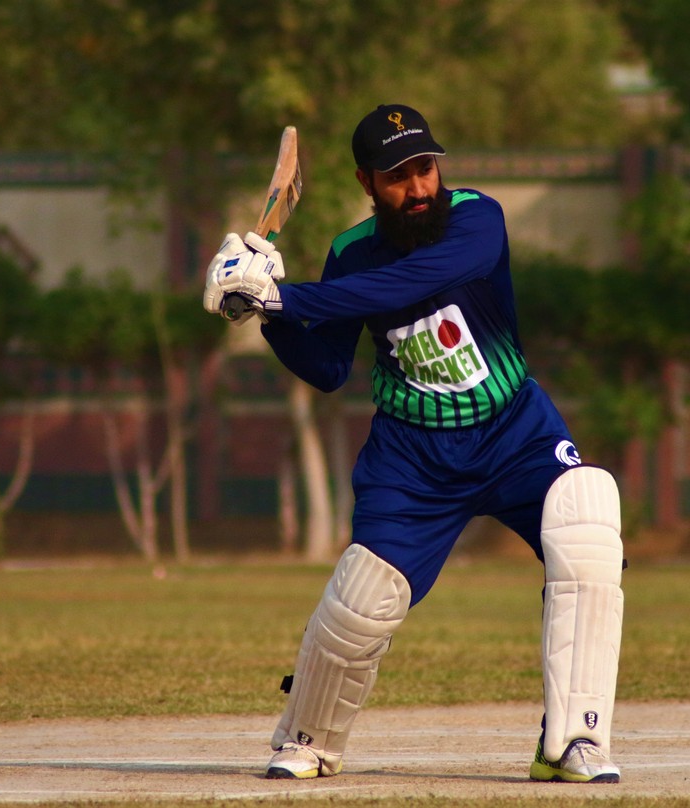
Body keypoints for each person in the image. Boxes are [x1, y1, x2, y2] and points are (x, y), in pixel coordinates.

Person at [203, 104, 625, 784]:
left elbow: (417, 280)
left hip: (514, 431)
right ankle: (309, 738)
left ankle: (576, 740)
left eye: (425, 168)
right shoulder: (351, 251)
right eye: (398, 176)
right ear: (367, 182)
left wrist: (285, 298)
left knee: (588, 521)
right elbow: (328, 368)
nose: (419, 187)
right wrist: (262, 310)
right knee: (363, 596)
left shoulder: (477, 219)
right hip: (413, 457)